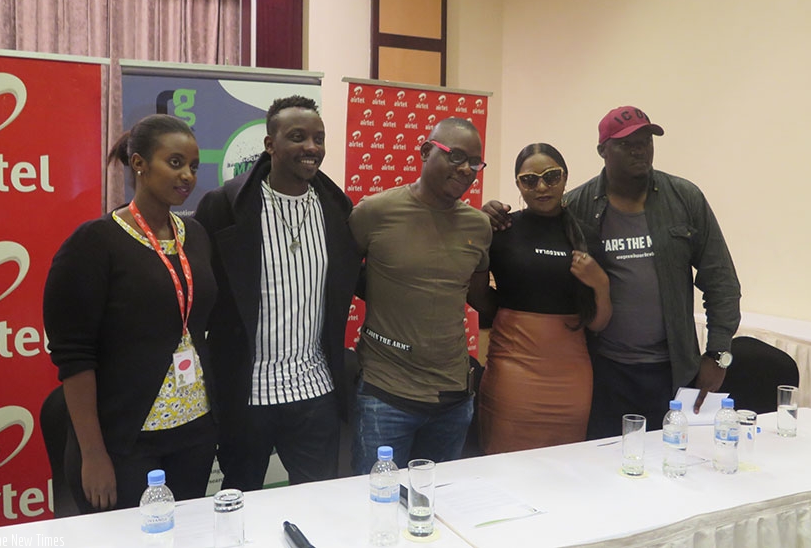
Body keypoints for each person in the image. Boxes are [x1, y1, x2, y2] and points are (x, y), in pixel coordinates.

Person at [484, 106, 741, 437]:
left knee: (671, 464)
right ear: (602, 150)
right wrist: (491, 215)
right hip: (601, 369)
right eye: (625, 143)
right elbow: (531, 235)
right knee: (605, 470)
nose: (638, 149)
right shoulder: (577, 206)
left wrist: (719, 354)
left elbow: (721, 280)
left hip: (674, 370)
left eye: (645, 140)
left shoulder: (684, 198)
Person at [44, 114, 218, 512]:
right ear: (138, 163)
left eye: (193, 166)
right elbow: (74, 356)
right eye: (174, 163)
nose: (187, 176)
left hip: (193, 433)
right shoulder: (94, 243)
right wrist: (93, 454)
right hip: (125, 442)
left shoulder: (197, 236)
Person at [194, 95, 361, 490]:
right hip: (247, 394)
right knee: (243, 505)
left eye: (318, 138)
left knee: (318, 504)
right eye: (298, 137)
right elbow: (202, 295)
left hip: (315, 391)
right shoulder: (225, 207)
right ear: (270, 145)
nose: (311, 148)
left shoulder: (337, 209)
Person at [349, 117, 493, 474]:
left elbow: (478, 297)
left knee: (435, 508)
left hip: (453, 400)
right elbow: (341, 278)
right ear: (426, 151)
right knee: (375, 505)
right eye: (456, 156)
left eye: (474, 162)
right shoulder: (375, 212)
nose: (466, 169)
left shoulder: (479, 226)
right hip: (386, 394)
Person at [468, 143, 611, 454]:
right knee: (505, 469)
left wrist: (600, 283)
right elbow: (477, 297)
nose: (542, 187)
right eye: (530, 180)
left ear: (565, 177)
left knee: (565, 469)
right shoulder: (502, 230)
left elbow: (599, 322)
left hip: (571, 377)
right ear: (518, 184)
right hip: (512, 373)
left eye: (551, 176)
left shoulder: (586, 236)